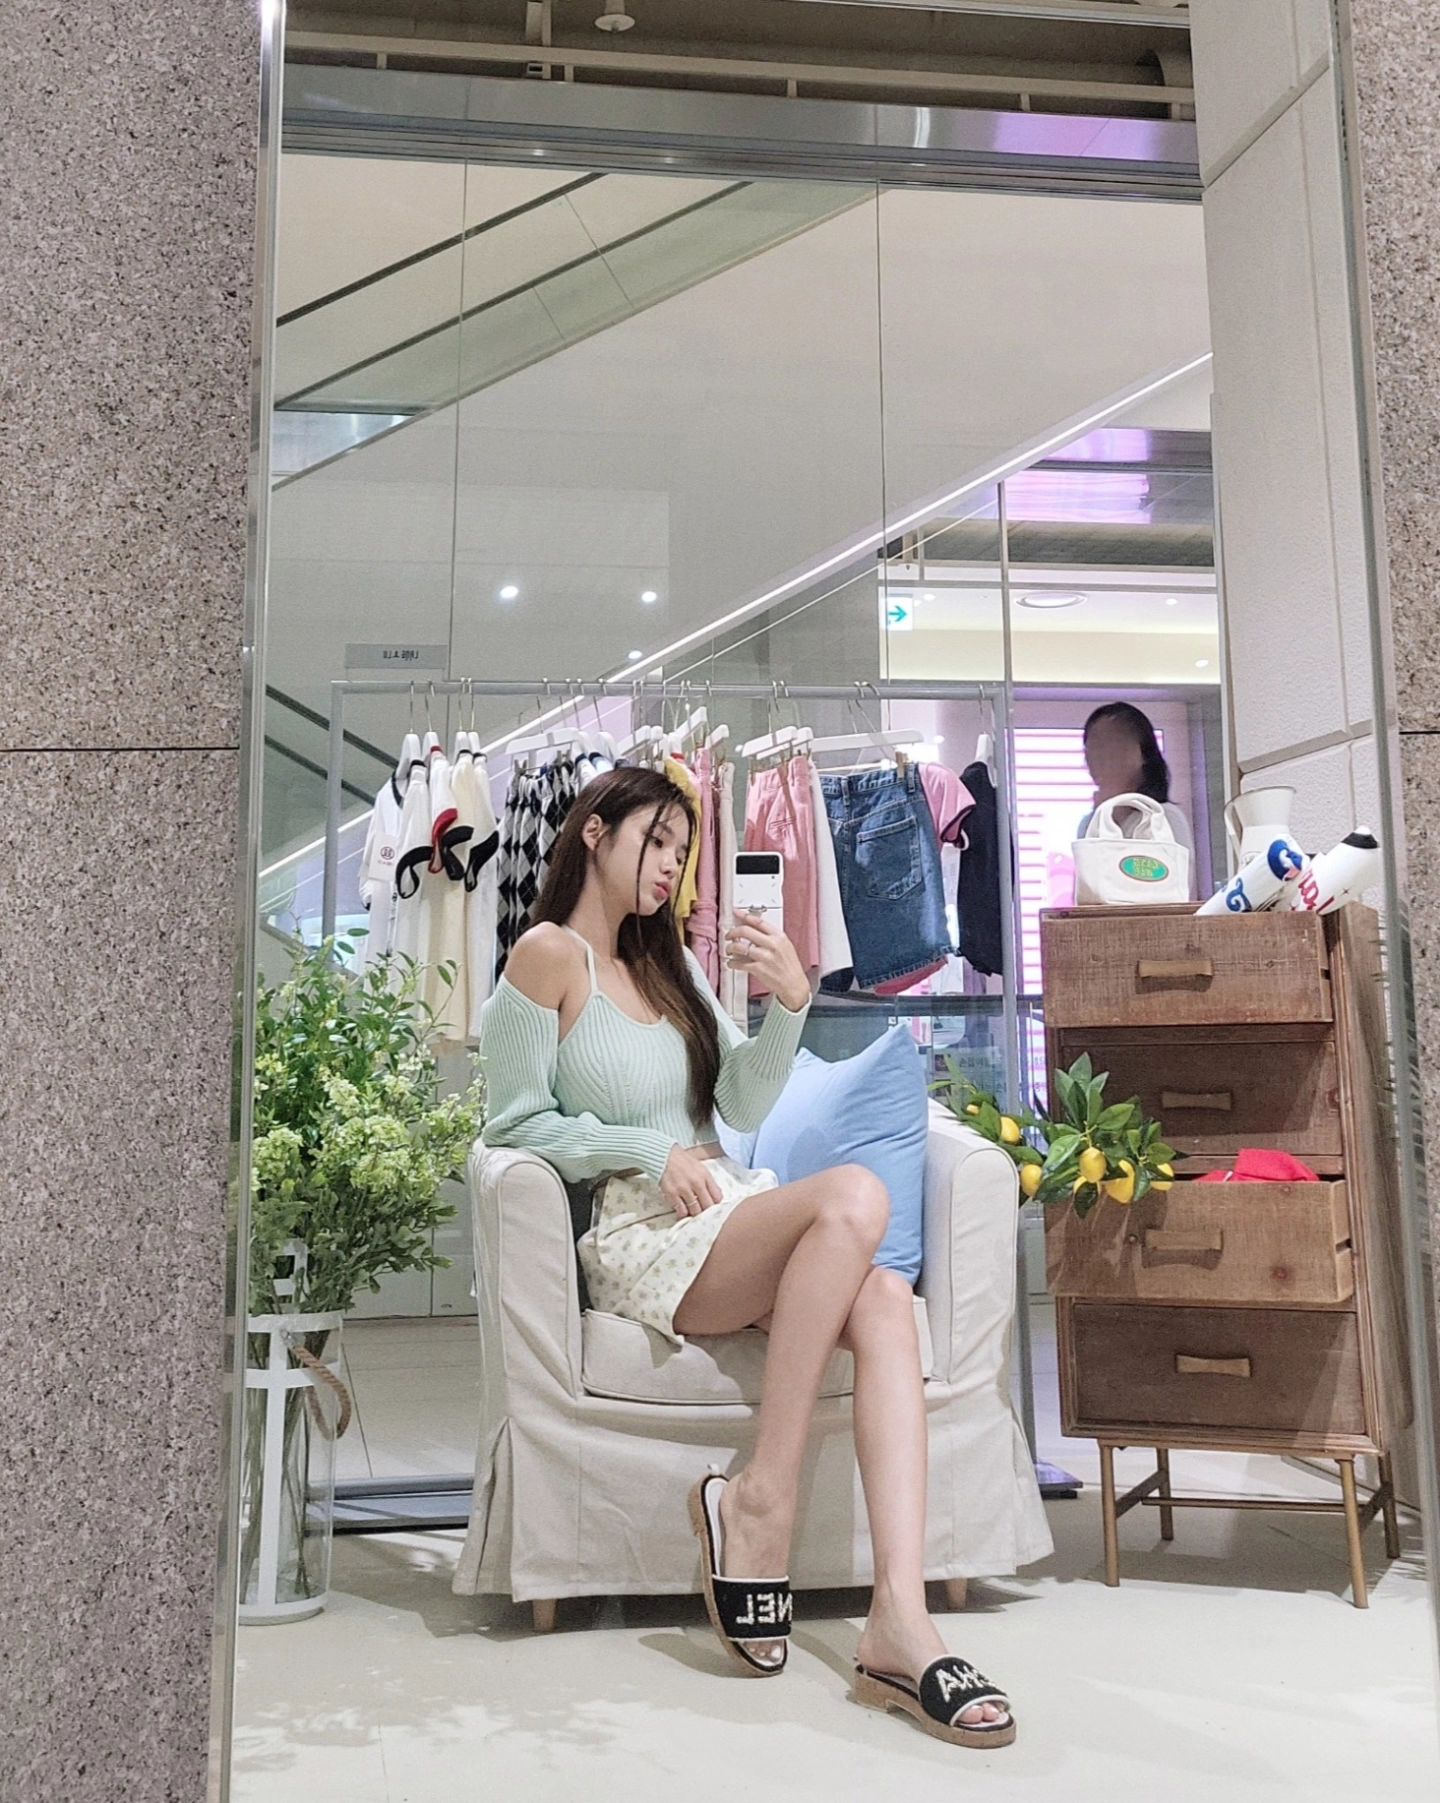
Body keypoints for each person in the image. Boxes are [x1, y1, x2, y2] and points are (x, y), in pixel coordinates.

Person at [478, 765, 1014, 1750]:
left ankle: (900, 1619)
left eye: (683, 852)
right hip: (643, 1232)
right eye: (658, 842)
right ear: (595, 832)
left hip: (725, 1208)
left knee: (883, 1301)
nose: (672, 867)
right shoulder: (548, 955)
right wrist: (644, 1149)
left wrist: (793, 1003)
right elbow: (511, 1124)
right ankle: (762, 1494)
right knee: (857, 1196)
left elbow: (745, 1103)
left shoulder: (671, 966)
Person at [1081, 701, 1196, 895]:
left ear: (1143, 754)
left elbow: (1167, 891)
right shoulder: (1089, 824)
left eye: (1112, 746)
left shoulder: (1163, 817)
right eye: (1092, 748)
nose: (1099, 757)